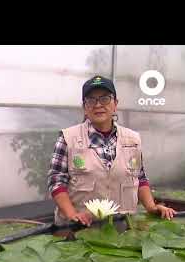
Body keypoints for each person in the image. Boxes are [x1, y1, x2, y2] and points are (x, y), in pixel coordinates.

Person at [47, 75, 176, 227]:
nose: (98, 105)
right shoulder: (68, 138)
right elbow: (56, 181)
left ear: (115, 104)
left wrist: (152, 207)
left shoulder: (132, 139)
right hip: (78, 228)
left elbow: (140, 178)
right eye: (91, 100)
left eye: (105, 99)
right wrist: (72, 214)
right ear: (84, 107)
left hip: (122, 228)